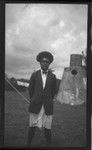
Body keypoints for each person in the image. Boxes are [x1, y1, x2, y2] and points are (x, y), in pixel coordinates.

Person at [27, 51, 57, 147]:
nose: (45, 63)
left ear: (49, 63)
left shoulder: (53, 76)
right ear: (40, 62)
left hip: (48, 106)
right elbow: (30, 89)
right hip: (35, 104)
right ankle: (28, 144)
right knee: (32, 127)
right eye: (43, 61)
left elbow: (53, 91)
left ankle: (49, 145)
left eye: (47, 62)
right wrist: (34, 99)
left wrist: (48, 99)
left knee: (48, 128)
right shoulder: (34, 75)